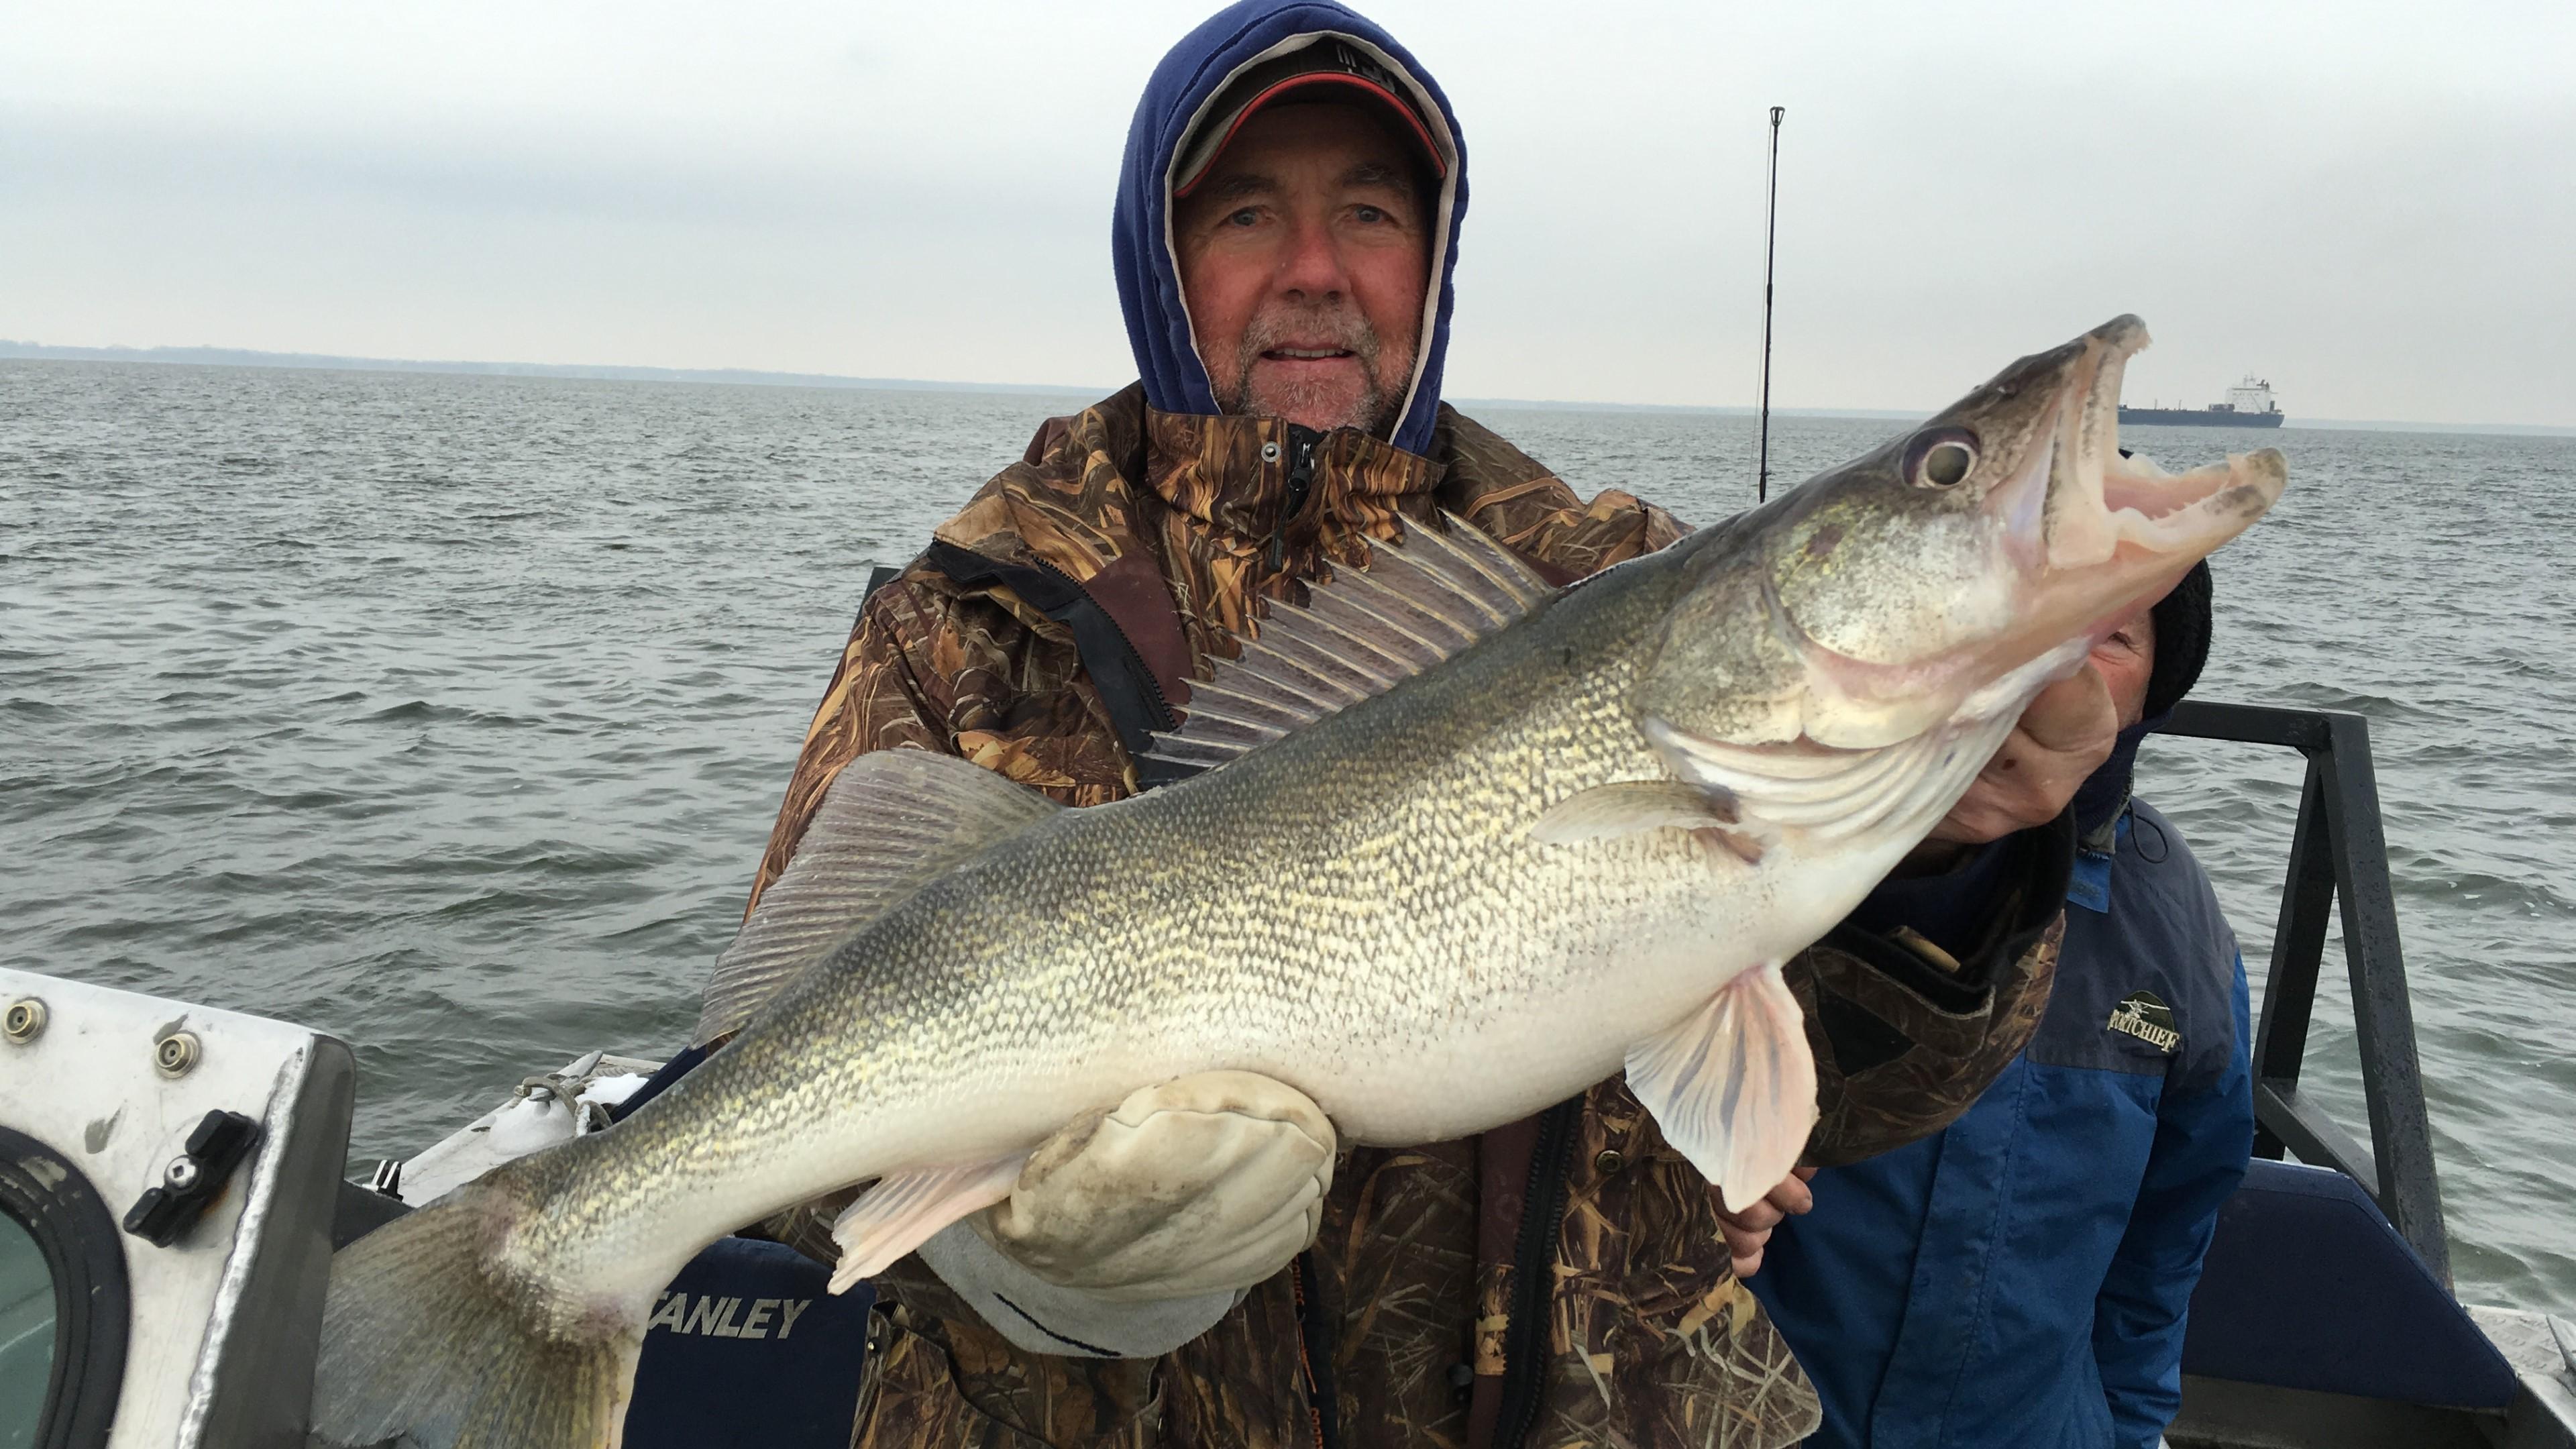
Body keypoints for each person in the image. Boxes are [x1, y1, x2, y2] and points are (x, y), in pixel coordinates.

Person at [736, 3, 2118, 1444]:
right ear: (1159, 257)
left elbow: (1854, 1095)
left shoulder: (1613, 578)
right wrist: (1016, 1262)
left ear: (1437, 258)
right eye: (1249, 213)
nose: (1318, 271)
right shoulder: (962, 621)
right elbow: (777, 1083)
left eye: (1374, 213)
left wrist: (1962, 865)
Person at [1733, 561, 2256, 1449]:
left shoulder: (2176, 928)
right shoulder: (1763, 857)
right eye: (2028, 619)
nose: (2055, 660)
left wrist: (2129, 1429)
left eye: (2111, 634)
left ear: (2154, 693)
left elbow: (2167, 1237)